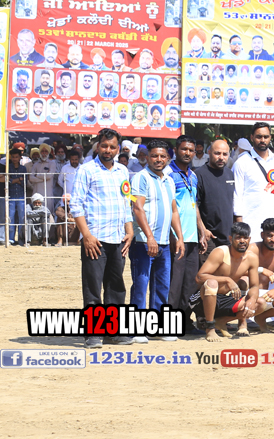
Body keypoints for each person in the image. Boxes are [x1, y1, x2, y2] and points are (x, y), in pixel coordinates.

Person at [67, 132, 129, 344]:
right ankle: (93, 333)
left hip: (118, 239)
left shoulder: (122, 171)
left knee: (116, 288)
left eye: (112, 147)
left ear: (117, 149)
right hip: (95, 240)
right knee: (93, 288)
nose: (108, 150)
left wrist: (129, 231)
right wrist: (86, 235)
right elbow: (76, 205)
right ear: (97, 147)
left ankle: (114, 332)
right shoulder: (86, 170)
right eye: (104, 146)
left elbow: (125, 202)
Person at [130, 140, 183, 343]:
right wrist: (149, 237)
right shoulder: (141, 178)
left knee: (162, 286)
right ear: (147, 157)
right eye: (154, 155)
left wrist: (179, 237)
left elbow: (174, 211)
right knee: (141, 285)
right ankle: (137, 329)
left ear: (168, 158)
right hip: (143, 242)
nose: (158, 159)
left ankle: (159, 328)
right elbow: (137, 208)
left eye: (162, 156)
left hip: (164, 243)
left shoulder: (169, 180)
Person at [167, 135, 212, 331]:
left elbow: (194, 206)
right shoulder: (168, 173)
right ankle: (170, 323)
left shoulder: (192, 175)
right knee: (174, 283)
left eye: (191, 150)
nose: (187, 153)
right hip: (176, 238)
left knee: (190, 284)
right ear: (176, 150)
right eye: (184, 149)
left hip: (192, 238)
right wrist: (174, 236)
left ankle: (185, 321)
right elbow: (168, 207)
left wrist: (201, 231)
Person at [192, 222, 261, 341]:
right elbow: (199, 277)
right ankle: (210, 329)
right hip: (202, 300)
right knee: (212, 283)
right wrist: (227, 279)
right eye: (238, 237)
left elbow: (254, 286)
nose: (242, 241)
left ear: (249, 239)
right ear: (230, 239)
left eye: (245, 238)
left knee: (260, 302)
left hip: (224, 300)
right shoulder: (221, 252)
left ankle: (226, 322)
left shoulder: (252, 258)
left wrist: (252, 300)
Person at [232, 122, 274, 227]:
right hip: (250, 224)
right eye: (259, 137)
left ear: (270, 138)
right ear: (252, 137)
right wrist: (240, 225)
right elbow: (237, 195)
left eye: (266, 137)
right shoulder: (241, 163)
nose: (262, 140)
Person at [194, 139, 234, 252]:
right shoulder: (198, 175)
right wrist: (203, 230)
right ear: (209, 153)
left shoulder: (230, 174)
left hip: (228, 237)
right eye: (217, 153)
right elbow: (194, 206)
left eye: (225, 154)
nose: (221, 157)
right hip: (209, 237)